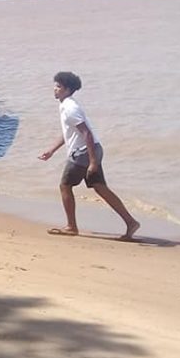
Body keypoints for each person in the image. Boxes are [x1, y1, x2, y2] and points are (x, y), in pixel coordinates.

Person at [38, 71, 140, 240]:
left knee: (65, 186)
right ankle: (131, 222)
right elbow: (69, 132)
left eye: (58, 87)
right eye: (55, 86)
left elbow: (86, 134)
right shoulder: (66, 105)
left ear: (67, 89)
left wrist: (92, 162)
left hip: (84, 152)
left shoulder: (70, 108)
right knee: (100, 187)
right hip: (92, 149)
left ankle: (71, 227)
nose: (54, 89)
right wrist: (51, 150)